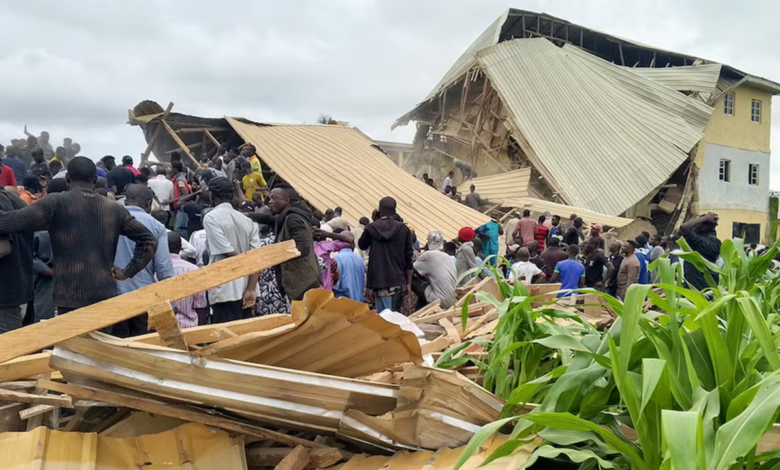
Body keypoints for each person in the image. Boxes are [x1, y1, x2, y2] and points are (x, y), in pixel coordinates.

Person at [0, 157, 157, 314]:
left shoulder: (55, 203)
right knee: (100, 338)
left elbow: (9, 222)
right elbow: (149, 241)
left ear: (68, 178)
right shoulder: (114, 209)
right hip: (104, 296)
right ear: (95, 179)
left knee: (71, 338)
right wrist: (127, 272)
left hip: (69, 297)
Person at [112, 185, 175, 337]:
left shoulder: (110, 222)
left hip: (112, 300)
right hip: (143, 300)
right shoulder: (156, 226)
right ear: (148, 203)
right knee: (142, 350)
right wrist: (173, 303)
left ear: (126, 201)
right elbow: (163, 268)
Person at [248, 184, 322, 301]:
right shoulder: (288, 216)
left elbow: (302, 248)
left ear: (286, 200)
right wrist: (246, 215)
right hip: (302, 280)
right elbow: (270, 219)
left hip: (302, 282)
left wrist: (274, 255)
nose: (269, 202)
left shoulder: (293, 219)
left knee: (302, 317)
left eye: (274, 198)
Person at [203, 178, 261, 323]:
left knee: (225, 339)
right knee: (245, 337)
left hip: (225, 289)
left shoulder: (211, 217)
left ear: (211, 195)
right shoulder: (247, 221)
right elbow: (256, 258)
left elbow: (229, 253)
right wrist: (251, 288)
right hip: (247, 288)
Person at [358, 197, 413, 312]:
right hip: (399, 281)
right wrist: (408, 283)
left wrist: (373, 223)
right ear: (394, 211)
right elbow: (409, 258)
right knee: (394, 316)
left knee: (385, 318)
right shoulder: (404, 229)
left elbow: (362, 245)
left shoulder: (371, 228)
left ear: (379, 210)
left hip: (380, 281)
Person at [0, 168, 33, 333]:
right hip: (17, 289)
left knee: (6, 353)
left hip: (3, 298)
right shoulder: (16, 199)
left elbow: (2, 248)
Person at [167, 232, 209, 327]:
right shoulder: (194, 270)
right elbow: (200, 306)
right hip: (190, 328)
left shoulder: (154, 271)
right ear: (181, 247)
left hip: (162, 330)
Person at [413, 232, 457, 308]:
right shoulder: (447, 256)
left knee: (412, 279)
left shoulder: (428, 255)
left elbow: (412, 269)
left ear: (428, 242)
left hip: (441, 300)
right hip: (454, 301)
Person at [679, 212, 721, 290]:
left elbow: (684, 228)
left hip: (699, 291)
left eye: (696, 225)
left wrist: (705, 218)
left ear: (703, 227)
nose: (693, 228)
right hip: (701, 288)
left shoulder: (702, 242)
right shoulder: (711, 241)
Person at [333, 234, 366, 302]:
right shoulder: (360, 259)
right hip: (359, 301)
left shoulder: (338, 259)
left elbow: (335, 284)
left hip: (344, 302)